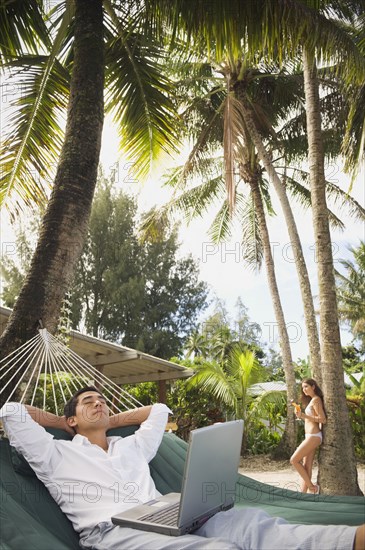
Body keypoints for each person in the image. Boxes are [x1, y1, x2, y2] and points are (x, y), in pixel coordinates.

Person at [0, 386, 364, 550]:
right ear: (71, 420)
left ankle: (352, 540)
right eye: (88, 403)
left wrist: (107, 422)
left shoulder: (132, 446)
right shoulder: (54, 454)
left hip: (169, 512)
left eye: (102, 401)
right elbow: (10, 411)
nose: (99, 404)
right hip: (110, 532)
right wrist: (65, 424)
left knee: (254, 525)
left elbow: (159, 412)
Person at [290, 378, 326, 494]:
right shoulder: (312, 400)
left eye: (306, 387)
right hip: (310, 436)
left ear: (313, 387)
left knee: (294, 460)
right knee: (307, 466)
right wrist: (301, 415)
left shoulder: (316, 400)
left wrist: (304, 416)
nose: (304, 390)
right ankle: (303, 494)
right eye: (303, 387)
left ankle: (312, 487)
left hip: (314, 436)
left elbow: (322, 419)